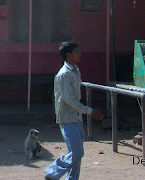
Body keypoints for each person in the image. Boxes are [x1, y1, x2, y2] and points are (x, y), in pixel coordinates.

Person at [44, 41, 103, 180]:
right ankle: (52, 172)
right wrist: (89, 111)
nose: (80, 54)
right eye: (76, 52)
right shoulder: (63, 74)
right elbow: (69, 99)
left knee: (75, 153)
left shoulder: (76, 71)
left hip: (76, 117)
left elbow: (76, 98)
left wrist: (81, 115)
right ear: (68, 55)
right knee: (77, 152)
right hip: (66, 117)